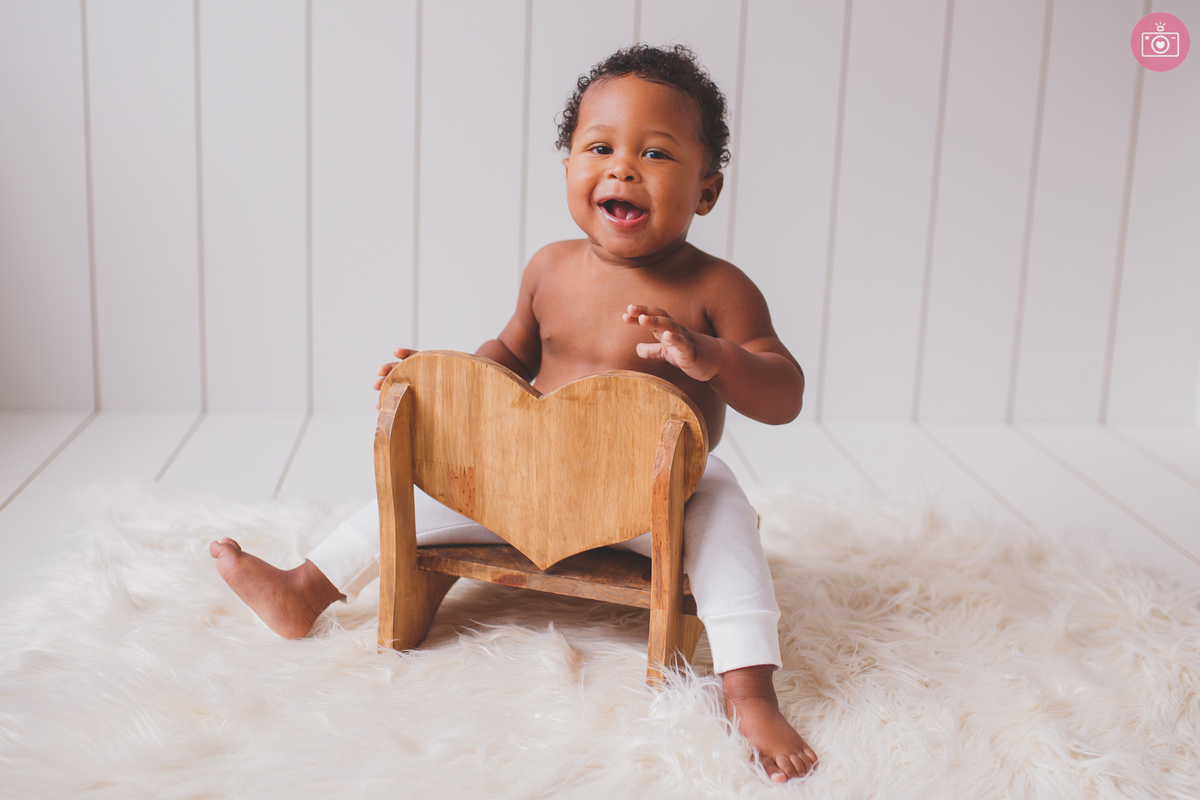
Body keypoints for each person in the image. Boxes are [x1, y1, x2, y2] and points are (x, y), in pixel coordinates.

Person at [210, 44, 818, 782]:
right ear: (568, 168)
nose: (622, 168)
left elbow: (784, 391)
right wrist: (444, 379)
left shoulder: (717, 290)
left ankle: (749, 691)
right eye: (600, 148)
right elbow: (508, 354)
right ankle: (305, 589)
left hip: (655, 500)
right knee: (417, 493)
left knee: (725, 521)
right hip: (534, 484)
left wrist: (712, 358)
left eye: (655, 153)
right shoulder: (550, 268)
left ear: (707, 190)